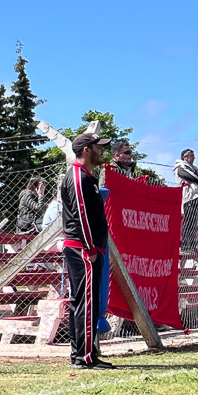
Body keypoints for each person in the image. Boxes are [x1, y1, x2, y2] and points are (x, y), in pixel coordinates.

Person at [61, 132, 114, 369]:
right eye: (97, 147)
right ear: (86, 150)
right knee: (85, 301)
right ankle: (83, 356)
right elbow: (81, 214)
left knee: (87, 301)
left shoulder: (86, 176)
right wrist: (89, 246)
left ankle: (85, 353)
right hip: (83, 249)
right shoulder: (76, 175)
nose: (101, 151)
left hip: (90, 248)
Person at [173, 149, 198, 253]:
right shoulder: (180, 167)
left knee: (196, 223)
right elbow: (192, 177)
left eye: (193, 156)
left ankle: (192, 246)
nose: (193, 158)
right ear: (185, 157)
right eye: (191, 156)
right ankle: (186, 247)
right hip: (189, 197)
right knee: (189, 222)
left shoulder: (195, 168)